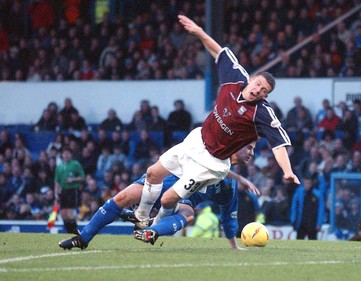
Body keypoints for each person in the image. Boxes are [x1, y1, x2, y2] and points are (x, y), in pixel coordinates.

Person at [132, 15, 299, 230]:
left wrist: (287, 171)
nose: (258, 90)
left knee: (167, 199)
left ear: (265, 96)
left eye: (263, 91)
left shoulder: (262, 112)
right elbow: (219, 52)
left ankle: (152, 228)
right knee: (153, 173)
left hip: (212, 162)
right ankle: (141, 216)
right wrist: (199, 32)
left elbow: (279, 144)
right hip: (196, 140)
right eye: (258, 84)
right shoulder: (236, 77)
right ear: (252, 79)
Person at [58, 142, 258, 250]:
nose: (252, 153)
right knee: (121, 198)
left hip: (179, 197)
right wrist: (241, 178)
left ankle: (152, 230)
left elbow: (228, 218)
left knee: (188, 213)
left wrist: (234, 247)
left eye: (254, 149)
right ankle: (83, 238)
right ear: (237, 144)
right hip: (165, 179)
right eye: (249, 147)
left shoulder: (229, 187)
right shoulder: (213, 151)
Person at [54, 147, 85, 234]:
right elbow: (57, 182)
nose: (66, 155)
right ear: (62, 155)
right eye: (64, 153)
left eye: (68, 153)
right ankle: (69, 233)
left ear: (71, 155)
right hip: (63, 191)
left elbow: (82, 177)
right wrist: (56, 193)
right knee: (63, 214)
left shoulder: (75, 164)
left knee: (70, 213)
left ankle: (75, 233)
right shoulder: (59, 167)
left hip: (72, 190)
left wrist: (73, 180)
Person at [290, 176, 326, 240]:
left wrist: (319, 223)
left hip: (312, 223)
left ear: (311, 184)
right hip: (301, 222)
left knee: (313, 243)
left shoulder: (317, 194)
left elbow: (321, 210)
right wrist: (293, 219)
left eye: (309, 183)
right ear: (303, 184)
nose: (307, 185)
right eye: (306, 183)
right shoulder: (299, 193)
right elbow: (294, 207)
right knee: (299, 241)